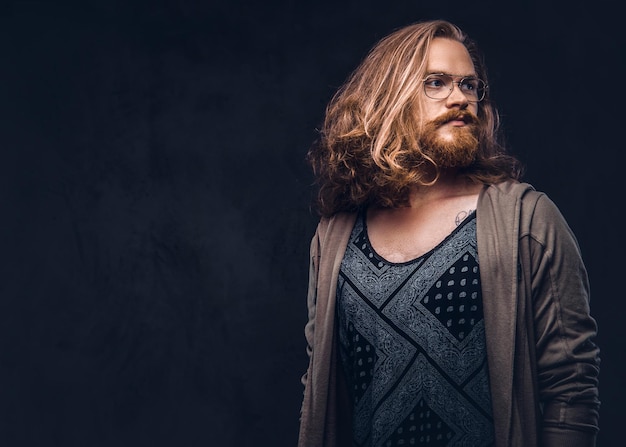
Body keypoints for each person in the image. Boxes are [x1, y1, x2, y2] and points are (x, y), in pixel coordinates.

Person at [298, 19, 600, 447]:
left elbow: (571, 389)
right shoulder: (334, 241)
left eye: (470, 86)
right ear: (389, 98)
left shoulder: (527, 221)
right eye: (436, 83)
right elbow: (319, 393)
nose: (460, 98)